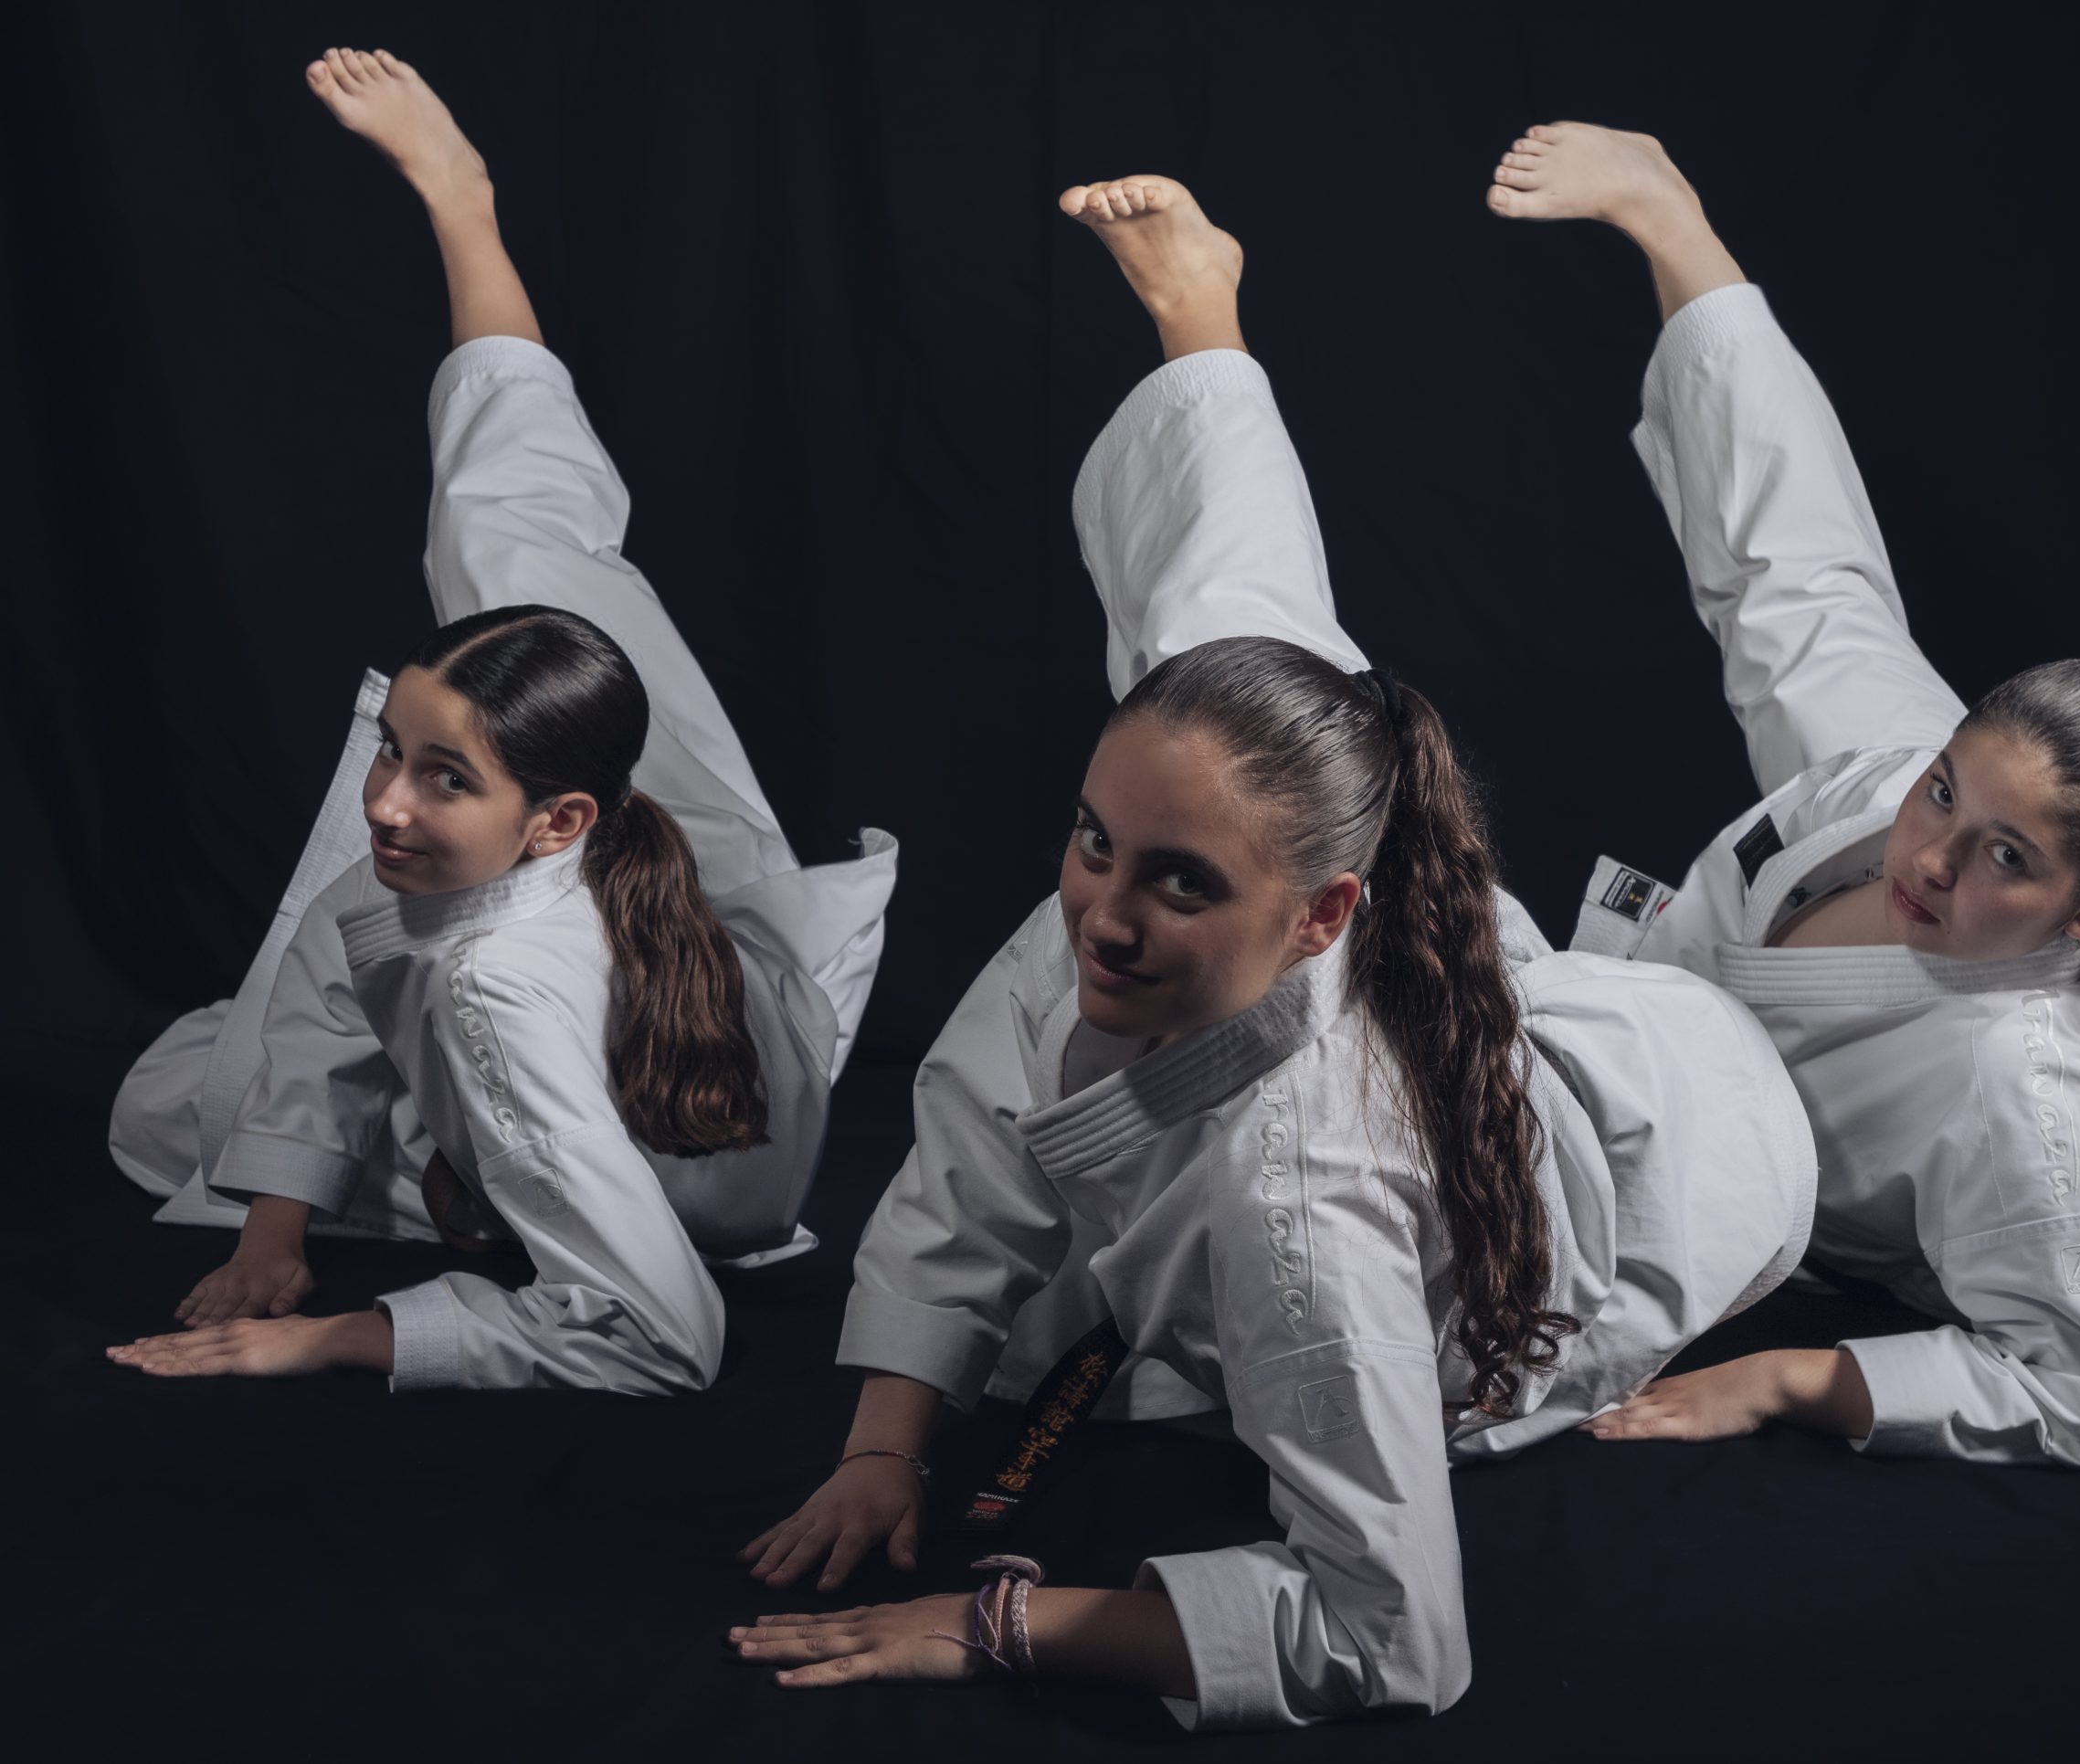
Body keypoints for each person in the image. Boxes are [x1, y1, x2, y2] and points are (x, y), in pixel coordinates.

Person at [723, 173, 1816, 1729]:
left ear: (1325, 915)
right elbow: (977, 1154)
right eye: (1091, 838)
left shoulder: (1304, 1206)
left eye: (1175, 882)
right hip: (1495, 1013)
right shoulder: (1135, 909)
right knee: (1241, 676)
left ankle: (1207, 335)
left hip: (1700, 1165)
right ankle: (1205, 334)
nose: (1103, 912)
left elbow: (1398, 1640)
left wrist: (995, 1622)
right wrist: (883, 1447)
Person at [105, 48, 896, 1392]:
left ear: (563, 818)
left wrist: (326, 1333)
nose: (381, 800)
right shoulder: (564, 838)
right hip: (704, 1019)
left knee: (162, 1108)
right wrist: (275, 1230)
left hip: (694, 1172)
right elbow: (343, 946)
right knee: (504, 543)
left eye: (441, 776)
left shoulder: (494, 988)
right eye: (389, 751)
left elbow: (663, 1339)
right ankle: (463, 203)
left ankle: (459, 198)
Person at [1484, 121, 2080, 1466]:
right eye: (1946, 794)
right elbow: (1797, 568)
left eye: (2007, 857)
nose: (1932, 858)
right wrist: (1672, 236)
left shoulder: (2036, 1098)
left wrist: (1788, 1380)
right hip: (1669, 1053)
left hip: (1920, 1212)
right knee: (1804, 598)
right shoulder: (1903, 787)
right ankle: (1674, 209)